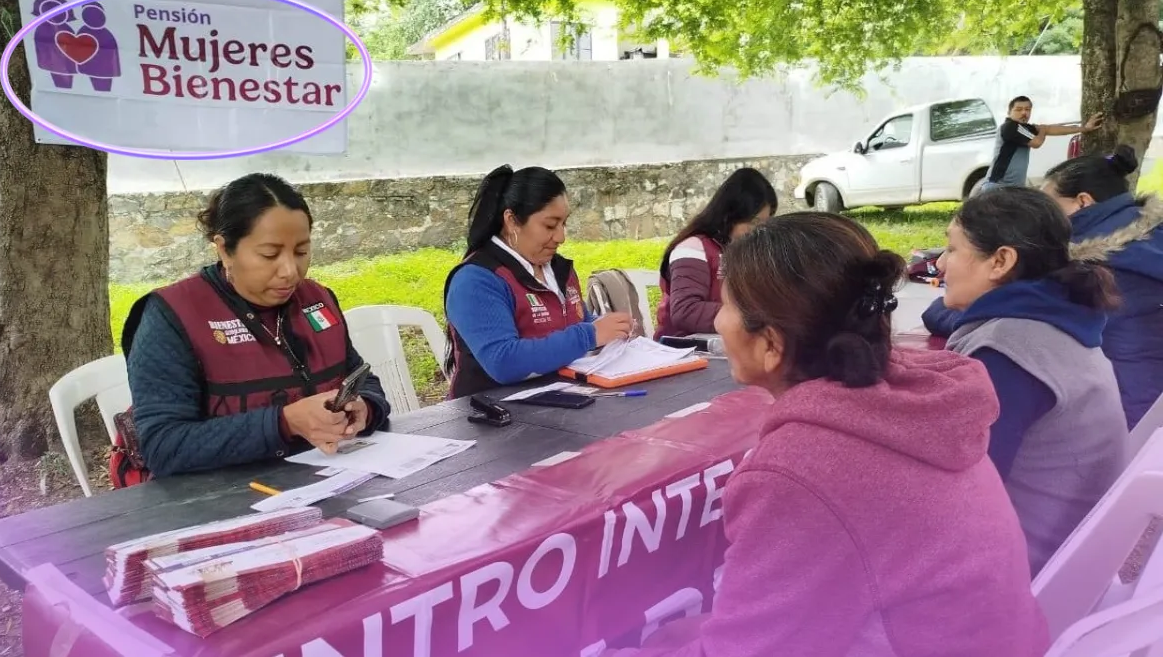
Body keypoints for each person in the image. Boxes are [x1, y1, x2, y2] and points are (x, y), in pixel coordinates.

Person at [605, 212, 1049, 657]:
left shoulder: (802, 468)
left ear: (772, 344)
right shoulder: (923, 399)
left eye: (727, 306)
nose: (719, 322)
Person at [122, 173, 392, 478]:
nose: (291, 271)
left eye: (302, 251)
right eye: (269, 254)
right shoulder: (172, 315)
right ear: (224, 249)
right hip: (219, 502)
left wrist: (366, 408)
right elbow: (163, 447)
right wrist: (284, 422)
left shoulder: (317, 299)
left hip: (329, 481)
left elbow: (360, 378)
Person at [922, 187, 1128, 574]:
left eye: (952, 249)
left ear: (1000, 261)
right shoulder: (1052, 318)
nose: (940, 265)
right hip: (1070, 553)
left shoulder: (1008, 352)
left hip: (1025, 572)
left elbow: (958, 495)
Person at [444, 165, 633, 398]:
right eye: (550, 225)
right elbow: (503, 361)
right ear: (512, 221)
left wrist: (610, 328)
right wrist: (589, 335)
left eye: (564, 224)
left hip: (562, 402)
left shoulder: (559, 269)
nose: (561, 237)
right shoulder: (476, 279)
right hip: (491, 415)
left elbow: (578, 321)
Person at [1043, 146, 1163, 430]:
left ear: (1082, 202)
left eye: (1049, 207)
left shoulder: (1090, 267)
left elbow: (1011, 313)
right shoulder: (1152, 239)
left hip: (1127, 423)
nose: (1044, 218)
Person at [654, 167, 777, 339]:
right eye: (753, 222)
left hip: (727, 345)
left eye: (764, 224)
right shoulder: (693, 248)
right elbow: (686, 311)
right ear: (730, 215)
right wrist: (751, 316)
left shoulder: (743, 251)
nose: (759, 231)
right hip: (684, 350)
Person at [979, 96, 1103, 191]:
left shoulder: (1024, 128)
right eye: (1018, 109)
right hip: (998, 186)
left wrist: (1084, 128)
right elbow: (1037, 142)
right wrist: (1043, 130)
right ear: (1009, 112)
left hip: (1012, 189)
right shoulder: (1010, 127)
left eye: (1027, 109)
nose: (1024, 113)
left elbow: (1051, 129)